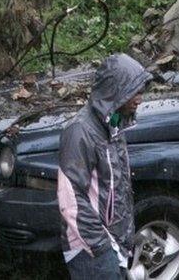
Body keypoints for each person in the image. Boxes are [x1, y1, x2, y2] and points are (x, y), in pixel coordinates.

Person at [58, 54, 152, 280]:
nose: (139, 99)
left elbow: (116, 187)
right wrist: (102, 247)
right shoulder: (80, 131)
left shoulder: (113, 124)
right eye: (134, 92)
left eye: (141, 92)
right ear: (114, 91)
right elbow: (70, 200)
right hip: (90, 249)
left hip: (114, 243)